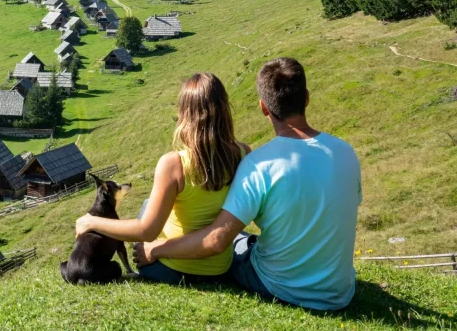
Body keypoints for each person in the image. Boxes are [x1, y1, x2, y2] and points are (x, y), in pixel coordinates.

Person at [133, 58, 362, 310]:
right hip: (340, 292)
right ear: (306, 97)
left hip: (278, 285)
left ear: (263, 107)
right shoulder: (346, 152)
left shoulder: (260, 163)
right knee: (240, 237)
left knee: (233, 240)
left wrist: (154, 250)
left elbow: (216, 241)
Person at [76, 73, 250, 284]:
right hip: (220, 270)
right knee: (150, 203)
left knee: (147, 209)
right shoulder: (243, 153)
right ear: (224, 110)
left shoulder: (174, 164)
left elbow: (146, 231)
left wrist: (90, 221)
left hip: (172, 271)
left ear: (185, 115)